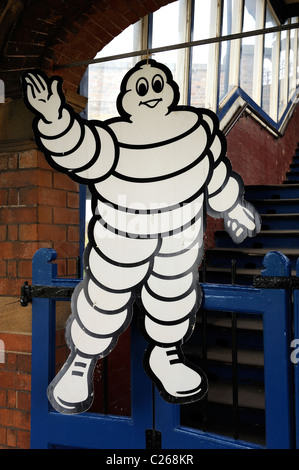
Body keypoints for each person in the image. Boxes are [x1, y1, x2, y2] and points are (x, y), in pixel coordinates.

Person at [23, 59, 260, 414]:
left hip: (179, 239)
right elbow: (80, 147)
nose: (150, 92)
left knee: (174, 295)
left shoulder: (195, 132)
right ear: (128, 99)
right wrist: (56, 118)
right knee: (104, 295)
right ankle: (81, 362)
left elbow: (214, 174)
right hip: (121, 238)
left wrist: (234, 207)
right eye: (141, 86)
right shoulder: (113, 138)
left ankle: (167, 355)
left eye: (157, 84)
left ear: (169, 92)